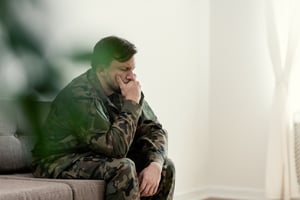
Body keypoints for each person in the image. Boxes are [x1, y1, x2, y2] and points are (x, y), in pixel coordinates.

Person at [31, 35, 175, 200]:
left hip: (95, 155)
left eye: (132, 69)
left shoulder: (126, 90)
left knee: (165, 167)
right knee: (123, 167)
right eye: (124, 69)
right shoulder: (80, 95)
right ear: (101, 70)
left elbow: (154, 129)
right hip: (58, 159)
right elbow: (115, 150)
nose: (131, 77)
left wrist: (155, 163)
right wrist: (131, 104)